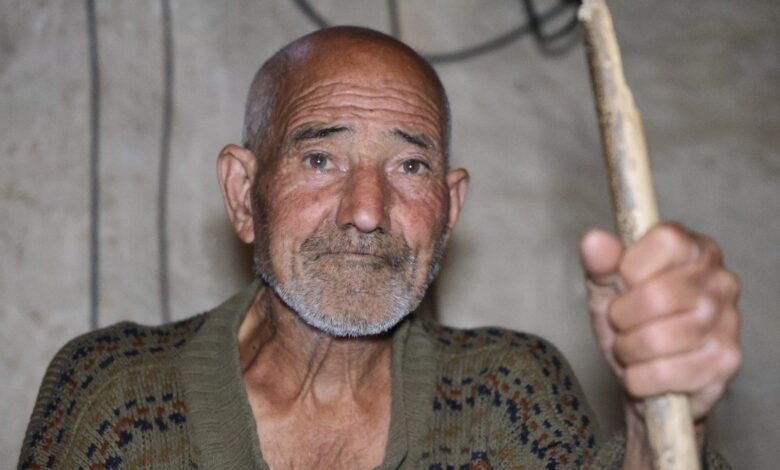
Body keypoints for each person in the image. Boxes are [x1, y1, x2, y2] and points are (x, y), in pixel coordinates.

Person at [19, 26, 741, 469]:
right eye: (320, 159)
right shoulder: (114, 394)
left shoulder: (507, 394)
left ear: (449, 210)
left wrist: (662, 419)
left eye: (410, 166)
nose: (367, 211)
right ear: (243, 194)